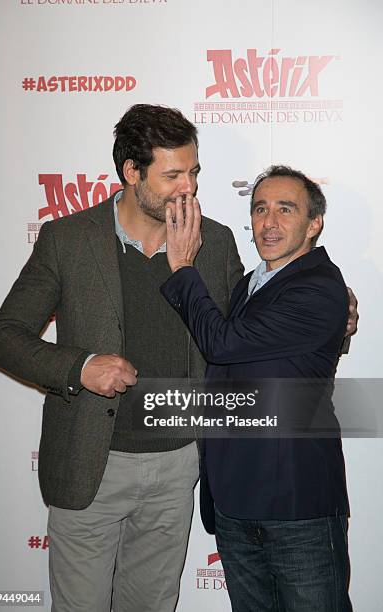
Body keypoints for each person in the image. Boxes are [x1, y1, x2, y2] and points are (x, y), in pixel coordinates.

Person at [0, 104, 245, 612]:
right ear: (131, 172)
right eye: (172, 175)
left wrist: (321, 312)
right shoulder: (68, 239)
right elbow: (5, 337)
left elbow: (245, 339)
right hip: (90, 464)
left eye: (193, 172)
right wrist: (79, 366)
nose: (187, 188)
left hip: (177, 465)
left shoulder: (213, 242)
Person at [161, 166, 353, 611]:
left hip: (296, 507)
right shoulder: (250, 284)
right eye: (260, 209)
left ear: (314, 224)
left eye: (286, 210)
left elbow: (223, 344)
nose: (269, 222)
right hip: (235, 503)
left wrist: (183, 266)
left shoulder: (321, 287)